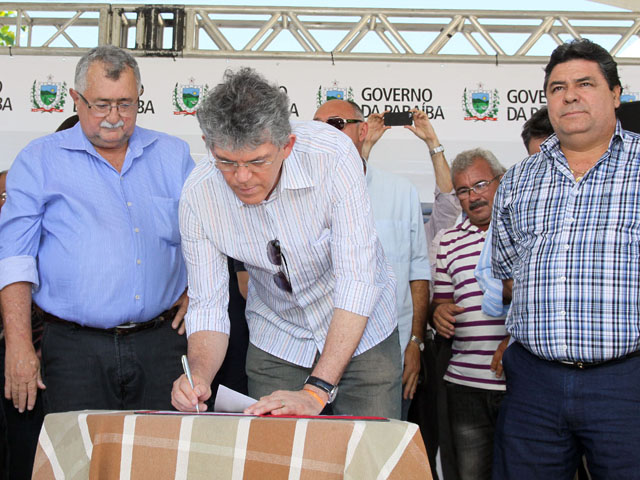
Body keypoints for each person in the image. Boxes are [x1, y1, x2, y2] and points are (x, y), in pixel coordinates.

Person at [171, 67, 401, 419]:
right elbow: (209, 305)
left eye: (257, 161)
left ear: (287, 145)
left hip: (363, 335)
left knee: (369, 458)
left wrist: (317, 390)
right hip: (276, 339)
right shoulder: (198, 195)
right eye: (226, 162)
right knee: (278, 461)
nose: (242, 177)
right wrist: (199, 375)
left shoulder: (334, 155)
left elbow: (357, 281)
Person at [0, 45, 194, 415]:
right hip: (75, 351)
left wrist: (197, 288)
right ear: (75, 99)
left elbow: (205, 236)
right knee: (78, 463)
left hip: (161, 343)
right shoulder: (39, 159)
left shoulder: (173, 155)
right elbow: (14, 258)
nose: (114, 118)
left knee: (158, 462)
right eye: (101, 104)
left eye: (126, 104)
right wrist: (19, 345)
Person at [491, 39, 640, 478]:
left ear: (615, 94)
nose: (569, 95)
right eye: (557, 88)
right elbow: (510, 269)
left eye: (584, 83)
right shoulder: (519, 179)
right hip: (534, 386)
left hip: (627, 383)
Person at [313, 99, 430, 419]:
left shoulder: (401, 192)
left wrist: (415, 344)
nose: (324, 132)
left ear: (362, 130)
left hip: (383, 353)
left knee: (374, 460)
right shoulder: (294, 194)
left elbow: (418, 272)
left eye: (335, 123)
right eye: (316, 124)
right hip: (309, 353)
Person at [431, 148, 508, 480]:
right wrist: (439, 312)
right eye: (463, 190)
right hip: (464, 385)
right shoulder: (447, 242)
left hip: (519, 384)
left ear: (500, 181)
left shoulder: (525, 234)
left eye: (480, 185)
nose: (473, 196)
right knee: (470, 475)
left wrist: (514, 340)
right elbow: (441, 303)